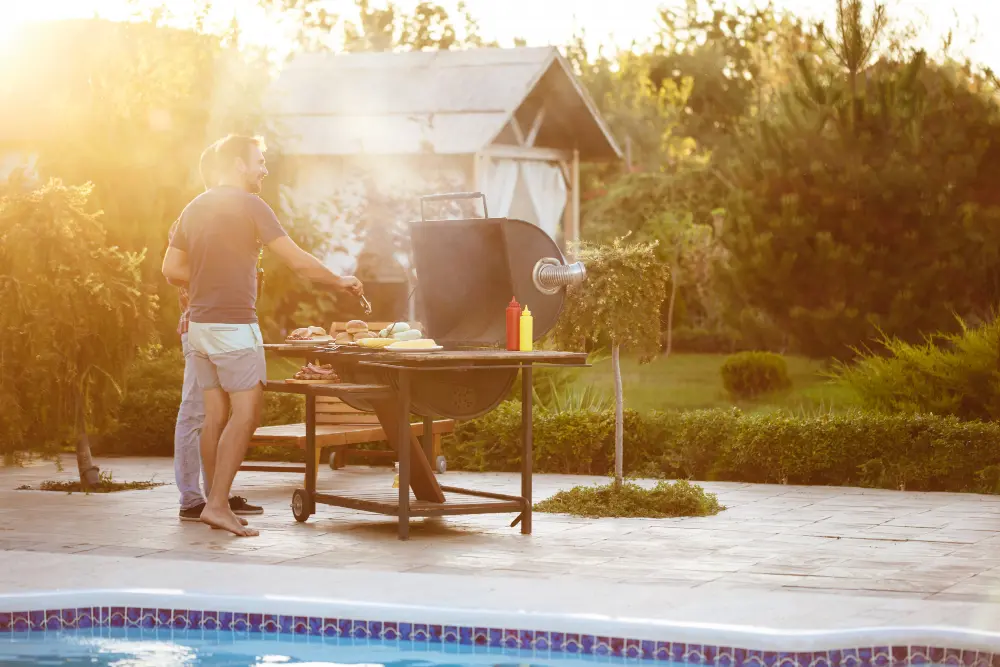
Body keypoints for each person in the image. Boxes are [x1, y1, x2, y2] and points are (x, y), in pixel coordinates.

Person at [161, 134, 364, 537]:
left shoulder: (194, 208)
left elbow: (171, 268)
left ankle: (212, 502)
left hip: (200, 327)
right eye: (259, 161)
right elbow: (298, 263)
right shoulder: (251, 205)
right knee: (248, 413)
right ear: (237, 163)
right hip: (234, 327)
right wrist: (340, 281)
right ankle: (216, 504)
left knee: (215, 416)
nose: (264, 169)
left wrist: (209, 277)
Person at [167, 144, 263, 523]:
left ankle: (215, 496)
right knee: (196, 412)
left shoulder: (227, 216)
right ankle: (194, 498)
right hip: (201, 325)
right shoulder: (197, 216)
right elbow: (175, 269)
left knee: (217, 415)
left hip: (222, 324)